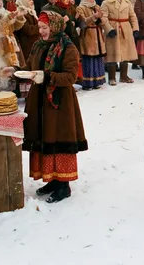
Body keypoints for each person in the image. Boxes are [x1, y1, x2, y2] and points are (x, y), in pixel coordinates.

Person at [22, 12, 88, 204]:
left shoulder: (68, 47)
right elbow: (29, 67)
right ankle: (51, 180)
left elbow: (70, 77)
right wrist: (15, 71)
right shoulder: (38, 45)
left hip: (59, 103)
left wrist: (47, 77)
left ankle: (63, 185)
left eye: (45, 28)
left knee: (57, 137)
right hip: (39, 100)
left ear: (55, 27)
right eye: (40, 28)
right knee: (44, 136)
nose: (41, 31)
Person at [103, 0, 139, 85]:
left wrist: (135, 28)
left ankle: (124, 76)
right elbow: (103, 18)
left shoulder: (127, 1)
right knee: (112, 53)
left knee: (125, 53)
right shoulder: (106, 2)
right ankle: (112, 78)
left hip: (125, 28)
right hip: (113, 28)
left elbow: (132, 16)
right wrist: (109, 29)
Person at [75, 0, 107, 90]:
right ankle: (88, 82)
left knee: (97, 58)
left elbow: (103, 21)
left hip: (97, 34)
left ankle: (97, 81)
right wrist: (94, 17)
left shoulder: (96, 6)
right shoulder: (80, 8)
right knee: (89, 58)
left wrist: (101, 18)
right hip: (88, 35)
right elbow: (83, 23)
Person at [15, 0, 40, 65]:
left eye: (32, 0)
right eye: (29, 0)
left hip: (34, 44)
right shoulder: (22, 14)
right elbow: (29, 30)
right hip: (27, 45)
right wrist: (41, 25)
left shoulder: (32, 12)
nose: (32, 2)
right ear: (24, 2)